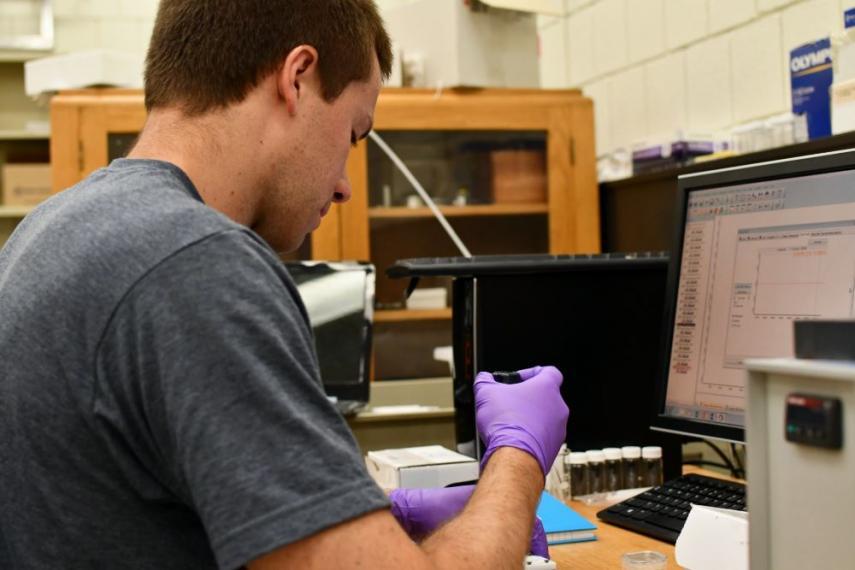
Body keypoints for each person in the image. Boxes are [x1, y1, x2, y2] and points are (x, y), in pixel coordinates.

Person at [0, 1, 570, 569]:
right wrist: (518, 457)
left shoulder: (47, 230)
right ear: (297, 79)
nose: (347, 185)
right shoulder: (197, 263)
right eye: (352, 133)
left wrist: (352, 519)